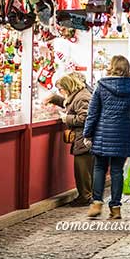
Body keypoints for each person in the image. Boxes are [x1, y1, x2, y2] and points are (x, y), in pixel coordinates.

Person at [83, 56, 130, 219]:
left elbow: (92, 113)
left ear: (112, 67)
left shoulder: (101, 86)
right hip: (123, 134)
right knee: (117, 171)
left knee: (99, 168)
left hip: (102, 133)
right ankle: (115, 208)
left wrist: (88, 133)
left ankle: (96, 203)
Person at [44, 73, 93, 206]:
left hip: (84, 139)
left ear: (67, 87)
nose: (61, 92)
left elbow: (85, 118)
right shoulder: (77, 95)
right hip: (82, 138)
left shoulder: (82, 97)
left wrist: (67, 119)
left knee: (82, 169)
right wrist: (55, 99)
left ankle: (85, 197)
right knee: (83, 169)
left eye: (60, 89)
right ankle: (86, 195)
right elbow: (69, 105)